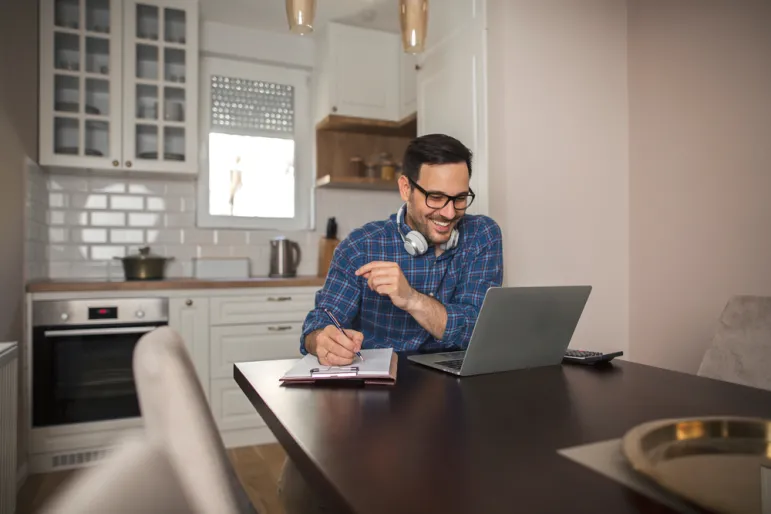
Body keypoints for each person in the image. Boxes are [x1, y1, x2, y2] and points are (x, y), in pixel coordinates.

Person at [277, 133, 503, 513]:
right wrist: (323, 341)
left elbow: (475, 328)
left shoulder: (482, 236)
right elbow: (317, 324)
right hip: (373, 412)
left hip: (458, 410)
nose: (449, 213)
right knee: (312, 495)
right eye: (435, 198)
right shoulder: (362, 245)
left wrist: (411, 298)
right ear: (405, 188)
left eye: (459, 198)